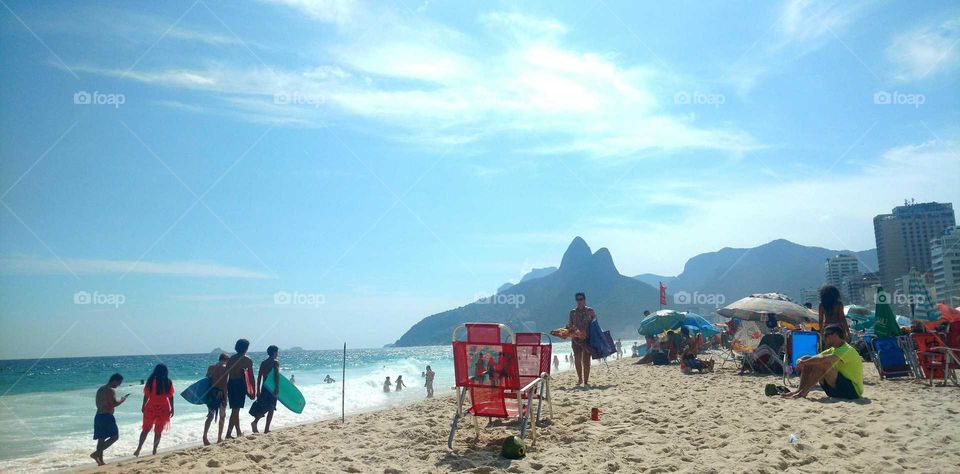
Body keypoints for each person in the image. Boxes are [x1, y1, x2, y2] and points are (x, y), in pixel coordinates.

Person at [782, 325, 863, 400]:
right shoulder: (833, 349)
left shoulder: (847, 350)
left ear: (835, 335)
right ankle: (799, 390)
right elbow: (813, 358)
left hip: (852, 392)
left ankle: (803, 393)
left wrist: (803, 362)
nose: (824, 338)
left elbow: (822, 360)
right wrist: (802, 360)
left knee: (822, 363)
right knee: (809, 361)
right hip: (836, 390)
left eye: (826, 335)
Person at [133, 364, 174, 457]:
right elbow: (171, 396)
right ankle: (154, 450)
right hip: (164, 407)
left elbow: (146, 395)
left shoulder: (151, 381)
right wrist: (172, 408)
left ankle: (139, 448)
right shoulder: (168, 382)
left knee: (145, 429)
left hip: (151, 406)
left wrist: (143, 405)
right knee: (158, 431)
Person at [91, 373, 127, 466]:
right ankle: (96, 454)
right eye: (119, 383)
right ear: (114, 380)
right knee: (115, 436)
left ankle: (101, 461)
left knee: (101, 439)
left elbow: (98, 403)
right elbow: (114, 404)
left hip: (98, 415)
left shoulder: (100, 389)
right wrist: (122, 400)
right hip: (107, 416)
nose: (118, 385)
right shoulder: (110, 390)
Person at [225, 339, 254, 439]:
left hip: (231, 384)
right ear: (246, 348)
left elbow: (226, 375)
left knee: (235, 409)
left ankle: (238, 432)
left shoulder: (231, 359)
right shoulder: (247, 360)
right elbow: (251, 376)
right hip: (240, 384)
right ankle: (228, 434)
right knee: (235, 410)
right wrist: (253, 389)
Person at [566, 292, 595, 386]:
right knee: (577, 360)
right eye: (577, 299)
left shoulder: (590, 311)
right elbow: (570, 325)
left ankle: (586, 381)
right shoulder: (573, 312)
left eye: (581, 299)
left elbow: (595, 325)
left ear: (584, 299)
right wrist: (575, 332)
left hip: (588, 339)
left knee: (586, 361)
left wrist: (587, 333)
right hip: (576, 339)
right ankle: (580, 379)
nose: (579, 301)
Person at [251, 345, 281, 434]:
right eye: (277, 352)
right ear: (275, 353)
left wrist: (258, 389)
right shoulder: (276, 362)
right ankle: (266, 429)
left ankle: (255, 422)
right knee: (271, 408)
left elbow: (259, 376)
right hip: (272, 388)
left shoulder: (263, 363)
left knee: (264, 407)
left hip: (264, 387)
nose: (277, 354)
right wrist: (277, 387)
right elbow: (277, 376)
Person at [203, 353, 229, 445]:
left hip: (211, 393)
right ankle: (219, 438)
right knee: (222, 416)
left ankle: (205, 437)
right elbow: (224, 384)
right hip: (220, 393)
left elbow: (206, 381)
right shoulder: (225, 368)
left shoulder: (210, 367)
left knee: (210, 415)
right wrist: (225, 398)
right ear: (226, 360)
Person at [818, 285, 849, 349]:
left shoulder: (822, 305)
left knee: (828, 348)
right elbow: (842, 318)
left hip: (827, 327)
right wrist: (847, 331)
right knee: (841, 347)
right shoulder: (839, 304)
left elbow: (820, 320)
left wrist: (822, 333)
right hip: (838, 328)